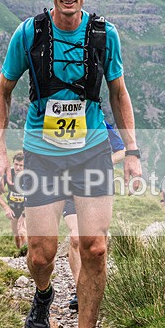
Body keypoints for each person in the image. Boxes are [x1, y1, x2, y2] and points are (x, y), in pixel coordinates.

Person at [0, 0, 142, 328]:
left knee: (94, 247)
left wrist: (131, 151)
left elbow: (119, 94)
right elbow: (2, 92)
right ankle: (43, 295)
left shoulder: (105, 35)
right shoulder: (29, 34)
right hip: (41, 153)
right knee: (42, 254)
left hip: (91, 151)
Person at [67, 121, 125, 311]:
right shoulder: (63, 119)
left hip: (96, 186)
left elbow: (121, 151)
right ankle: (80, 291)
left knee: (98, 242)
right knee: (76, 237)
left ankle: (98, 287)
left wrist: (101, 163)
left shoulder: (101, 124)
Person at [0, 152, 28, 252]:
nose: (18, 167)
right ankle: (20, 254)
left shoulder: (29, 176)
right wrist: (6, 208)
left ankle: (26, 255)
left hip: (26, 208)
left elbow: (34, 197)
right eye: (16, 164)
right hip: (13, 208)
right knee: (16, 234)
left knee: (22, 231)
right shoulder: (9, 174)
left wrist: (24, 214)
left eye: (21, 165)